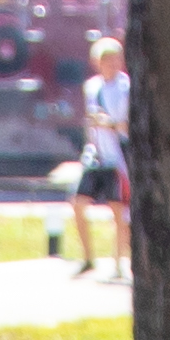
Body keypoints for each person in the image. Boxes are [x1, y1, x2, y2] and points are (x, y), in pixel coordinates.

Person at [68, 41, 131, 275]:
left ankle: (118, 263)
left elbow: (129, 123)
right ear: (98, 63)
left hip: (118, 158)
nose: (113, 64)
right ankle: (87, 257)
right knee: (78, 203)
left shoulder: (126, 87)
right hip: (96, 155)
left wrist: (110, 124)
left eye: (117, 59)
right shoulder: (92, 87)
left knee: (118, 210)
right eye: (108, 59)